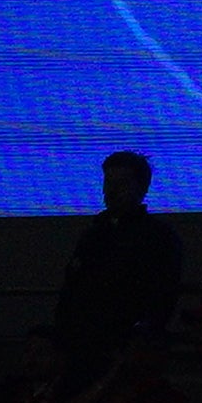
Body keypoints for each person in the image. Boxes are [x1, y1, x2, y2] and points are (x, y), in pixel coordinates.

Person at [57, 150, 181, 372]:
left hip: (129, 350)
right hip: (87, 347)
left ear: (141, 188)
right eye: (109, 182)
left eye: (121, 183)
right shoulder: (93, 235)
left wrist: (142, 334)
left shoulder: (157, 236)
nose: (112, 190)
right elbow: (72, 289)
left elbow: (163, 293)